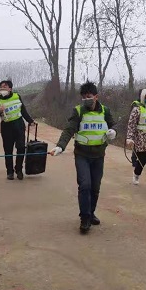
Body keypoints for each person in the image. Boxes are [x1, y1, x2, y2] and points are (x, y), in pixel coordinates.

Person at [51, 81, 117, 234]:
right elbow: (69, 130)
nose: (87, 99)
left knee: (95, 187)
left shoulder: (105, 111)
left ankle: (91, 212)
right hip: (82, 155)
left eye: (89, 96)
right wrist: (60, 146)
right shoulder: (78, 112)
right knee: (85, 185)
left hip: (99, 155)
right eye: (84, 97)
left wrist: (113, 131)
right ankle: (85, 218)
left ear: (96, 96)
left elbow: (113, 125)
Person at [0, 80, 35, 180]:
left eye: (5, 87)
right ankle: (9, 172)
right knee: (8, 151)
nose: (2, 89)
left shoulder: (17, 96)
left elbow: (23, 111)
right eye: (1, 87)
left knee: (21, 148)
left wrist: (30, 121)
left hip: (19, 125)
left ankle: (18, 169)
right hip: (6, 127)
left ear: (10, 89)